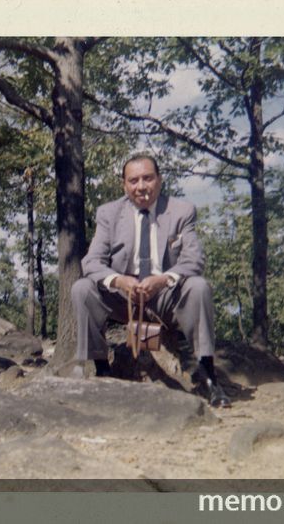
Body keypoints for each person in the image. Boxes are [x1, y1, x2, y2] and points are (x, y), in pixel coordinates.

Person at [71, 153, 231, 408]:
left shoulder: (181, 211)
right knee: (82, 288)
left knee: (198, 286)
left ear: (159, 179)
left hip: (166, 295)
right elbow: (91, 262)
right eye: (133, 181)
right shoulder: (109, 213)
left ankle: (208, 375)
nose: (141, 187)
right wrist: (118, 281)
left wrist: (163, 279)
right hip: (124, 297)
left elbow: (195, 260)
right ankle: (101, 368)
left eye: (148, 178)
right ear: (124, 185)